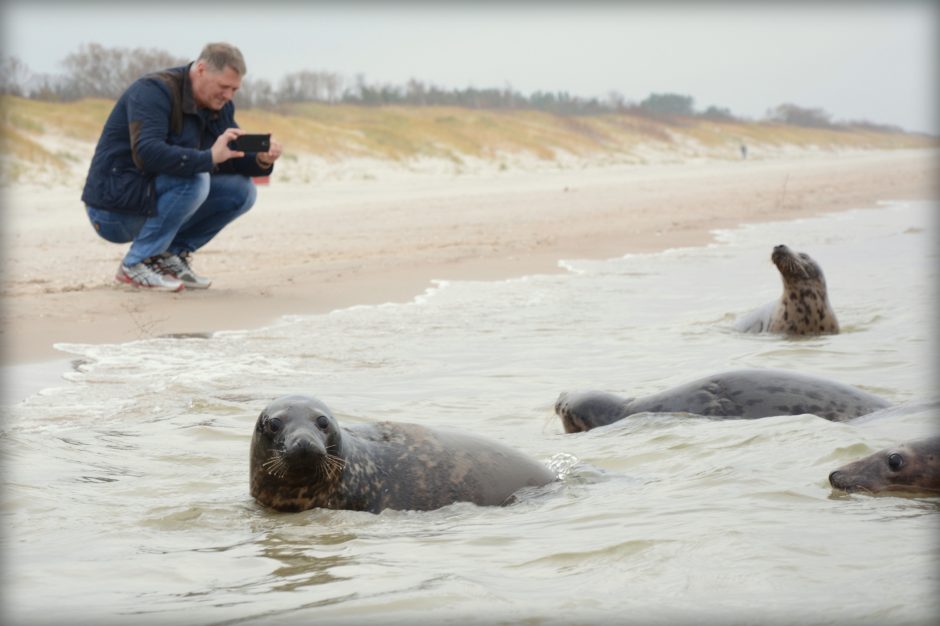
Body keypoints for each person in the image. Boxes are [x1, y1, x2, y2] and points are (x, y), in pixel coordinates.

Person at [81, 42, 283, 291]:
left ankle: (168, 257)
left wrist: (261, 160)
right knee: (195, 178)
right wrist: (209, 158)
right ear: (200, 69)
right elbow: (147, 153)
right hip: (113, 211)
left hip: (153, 200)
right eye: (223, 87)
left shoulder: (219, 106)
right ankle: (134, 265)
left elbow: (227, 158)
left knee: (243, 191)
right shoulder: (153, 90)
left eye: (234, 89)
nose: (228, 96)